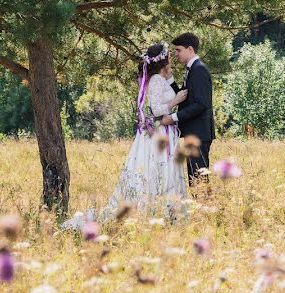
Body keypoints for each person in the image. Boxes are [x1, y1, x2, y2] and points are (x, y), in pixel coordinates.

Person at [61, 43, 188, 229]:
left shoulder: (160, 79)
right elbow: (156, 109)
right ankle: (158, 209)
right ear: (162, 59)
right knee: (158, 169)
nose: (171, 57)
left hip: (164, 131)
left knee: (164, 169)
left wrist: (170, 79)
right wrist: (175, 101)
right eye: (169, 55)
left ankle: (167, 209)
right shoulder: (155, 80)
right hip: (158, 133)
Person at [160, 32, 214, 185]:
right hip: (194, 132)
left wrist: (173, 117)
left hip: (199, 133)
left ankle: (206, 207)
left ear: (190, 49)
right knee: (195, 177)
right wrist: (170, 79)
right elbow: (184, 98)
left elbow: (201, 104)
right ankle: (202, 207)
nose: (175, 54)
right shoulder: (192, 69)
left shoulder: (199, 69)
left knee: (199, 178)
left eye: (178, 50)